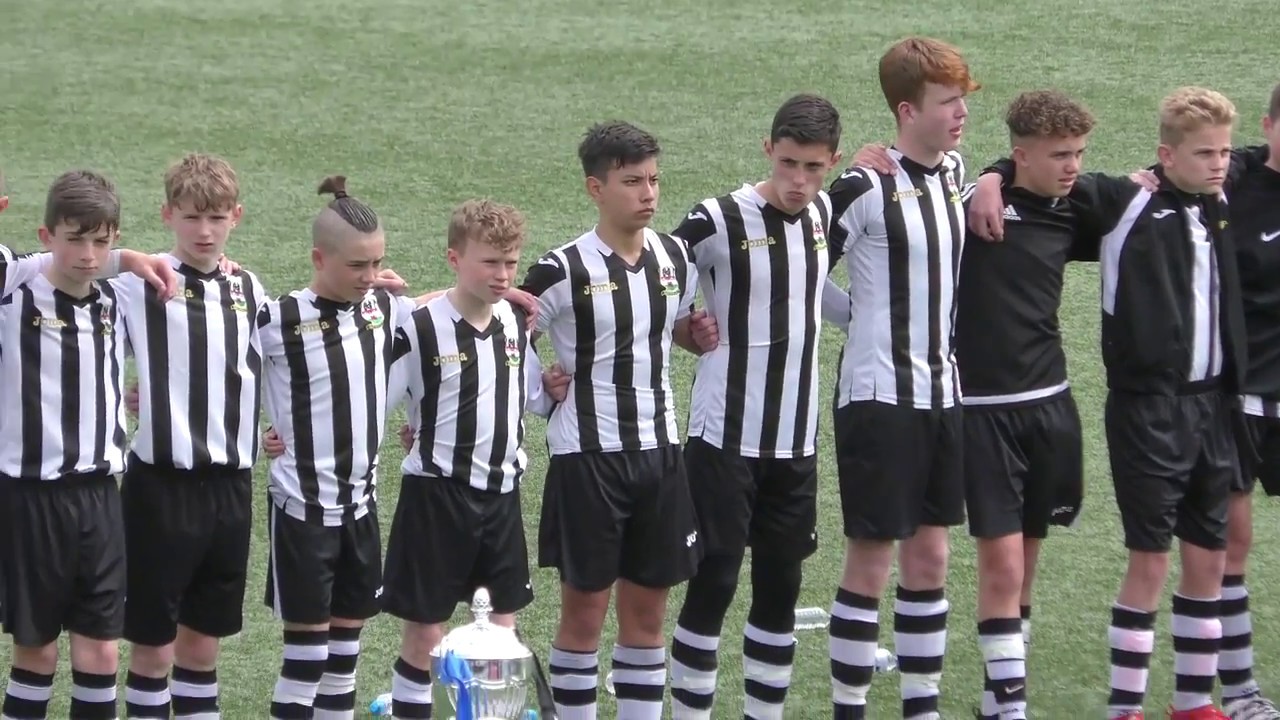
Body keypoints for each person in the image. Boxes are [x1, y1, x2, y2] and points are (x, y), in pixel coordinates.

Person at [968, 86, 1249, 720]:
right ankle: (1125, 707)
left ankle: (1193, 704)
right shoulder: (1121, 200)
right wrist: (992, 174)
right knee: (1150, 554)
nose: (1218, 162)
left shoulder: (1225, 194)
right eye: (1205, 152)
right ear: (1164, 154)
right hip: (1147, 410)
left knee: (1213, 552)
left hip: (1215, 408)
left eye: (1224, 152)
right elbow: (1034, 172)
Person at [519, 120, 714, 720]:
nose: (649, 194)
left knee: (648, 615)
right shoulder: (561, 270)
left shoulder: (674, 255)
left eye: (654, 180)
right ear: (595, 188)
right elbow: (501, 331)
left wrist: (691, 334)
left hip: (660, 451)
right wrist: (539, 394)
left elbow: (671, 325)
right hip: (589, 459)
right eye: (632, 181)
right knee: (584, 612)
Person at [665, 93, 843, 720]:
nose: (798, 182)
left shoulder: (824, 213)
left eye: (813, 168)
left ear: (831, 163)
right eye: (789, 163)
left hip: (796, 440)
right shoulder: (718, 217)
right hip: (723, 437)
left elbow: (815, 290)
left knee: (781, 586)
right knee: (712, 582)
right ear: (768, 150)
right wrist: (684, 322)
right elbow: (653, 278)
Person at [822, 36, 978, 720]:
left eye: (964, 101)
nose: (961, 115)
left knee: (932, 558)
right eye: (949, 103)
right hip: (879, 398)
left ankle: (923, 708)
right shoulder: (862, 186)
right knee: (871, 559)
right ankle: (850, 709)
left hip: (942, 394)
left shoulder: (954, 171)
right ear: (907, 109)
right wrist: (857, 316)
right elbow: (800, 271)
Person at [0, 170, 176, 720]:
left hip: (100, 496)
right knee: (37, 649)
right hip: (31, 497)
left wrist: (121, 261)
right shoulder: (14, 294)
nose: (89, 254)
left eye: (101, 241)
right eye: (74, 238)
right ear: (46, 235)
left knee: (101, 650)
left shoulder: (114, 300)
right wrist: (124, 254)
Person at [377, 198, 557, 720]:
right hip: (436, 497)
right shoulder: (419, 326)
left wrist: (551, 387)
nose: (503, 276)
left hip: (501, 499)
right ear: (454, 260)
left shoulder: (514, 324)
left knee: (501, 633)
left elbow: (533, 398)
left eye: (510, 262)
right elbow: (376, 403)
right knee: (426, 634)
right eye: (490, 263)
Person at [256, 176, 427, 720]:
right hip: (303, 509)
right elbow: (223, 376)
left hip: (361, 507)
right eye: (357, 266)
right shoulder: (278, 319)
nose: (370, 276)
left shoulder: (381, 308)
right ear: (318, 258)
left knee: (344, 659)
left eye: (377, 263)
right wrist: (257, 433)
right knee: (306, 659)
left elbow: (440, 316)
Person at [113, 153, 268, 720]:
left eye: (217, 218)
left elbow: (287, 346)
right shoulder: (138, 281)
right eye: (192, 218)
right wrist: (120, 258)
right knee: (153, 649)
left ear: (236, 217)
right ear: (167, 216)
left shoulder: (248, 287)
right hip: (160, 488)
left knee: (202, 649)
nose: (205, 231)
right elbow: (62, 275)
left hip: (230, 488)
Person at [1217, 83, 1280, 720]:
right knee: (1230, 544)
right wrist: (998, 171)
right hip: (1239, 401)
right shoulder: (1232, 181)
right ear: (1268, 126)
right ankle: (1239, 693)